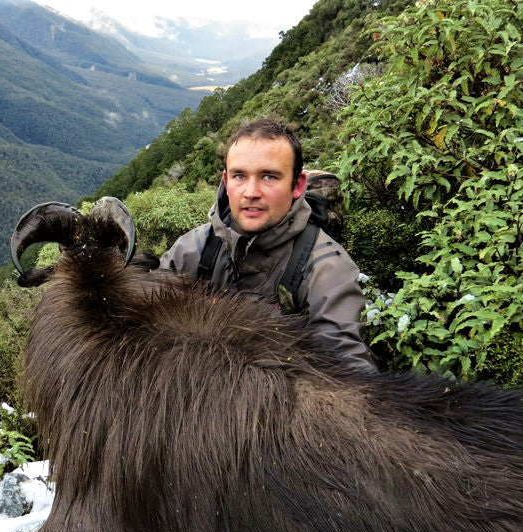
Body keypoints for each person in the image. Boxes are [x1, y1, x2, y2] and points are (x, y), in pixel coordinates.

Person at [159, 117, 375, 370]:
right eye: (240, 176)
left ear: (297, 185)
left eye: (269, 177)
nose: (251, 192)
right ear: (226, 182)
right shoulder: (193, 249)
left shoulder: (326, 269)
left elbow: (347, 365)